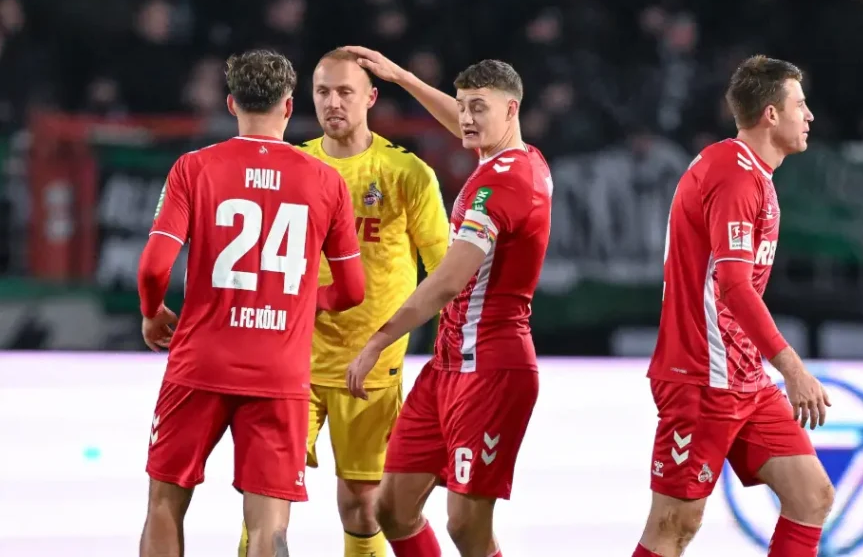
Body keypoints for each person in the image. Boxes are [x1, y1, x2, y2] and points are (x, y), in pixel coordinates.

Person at [136, 49, 365, 557]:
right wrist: (304, 302)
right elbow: (353, 290)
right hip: (279, 372)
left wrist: (153, 312)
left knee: (164, 505)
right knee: (269, 527)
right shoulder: (326, 181)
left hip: (200, 362)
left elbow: (154, 267)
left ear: (231, 103)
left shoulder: (193, 168)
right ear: (289, 107)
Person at [238, 49, 449, 557]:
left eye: (346, 92)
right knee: (263, 498)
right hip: (293, 362)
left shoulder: (406, 173)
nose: (333, 102)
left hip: (370, 366)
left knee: (362, 506)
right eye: (323, 92)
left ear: (371, 98)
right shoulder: (293, 167)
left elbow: (446, 271)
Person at [343, 46, 553, 557]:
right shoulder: (515, 157)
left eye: (478, 107)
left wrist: (378, 340)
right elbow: (461, 119)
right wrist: (404, 78)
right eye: (462, 105)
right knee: (391, 507)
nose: (465, 117)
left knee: (466, 525)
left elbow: (448, 281)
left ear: (511, 110)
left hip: (492, 370)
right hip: (445, 368)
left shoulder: (504, 184)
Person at [634, 55, 834, 557]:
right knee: (674, 525)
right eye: (800, 105)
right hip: (702, 373)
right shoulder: (734, 175)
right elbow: (734, 286)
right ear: (771, 114)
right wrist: (791, 367)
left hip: (740, 374)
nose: (809, 115)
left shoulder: (747, 171)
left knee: (811, 496)